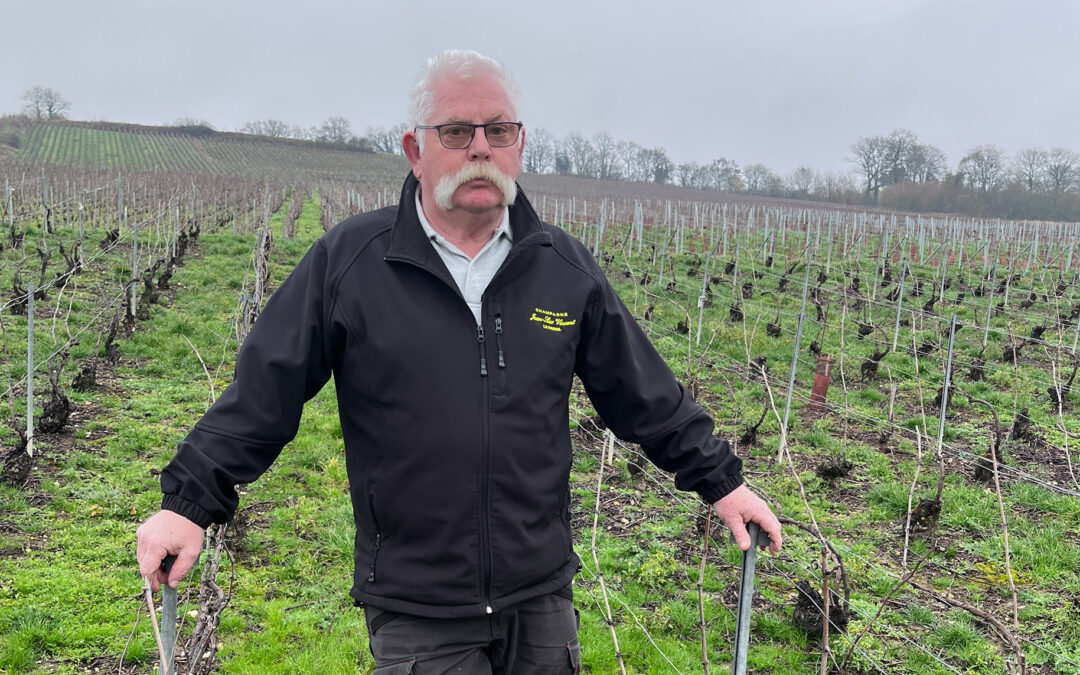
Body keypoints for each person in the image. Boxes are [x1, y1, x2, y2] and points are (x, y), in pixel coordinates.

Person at [136, 49, 782, 674]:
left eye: (498, 130)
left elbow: (642, 390)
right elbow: (263, 391)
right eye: (456, 130)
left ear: (520, 145)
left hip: (540, 592)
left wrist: (721, 480)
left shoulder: (562, 267)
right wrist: (188, 502)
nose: (480, 147)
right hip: (419, 600)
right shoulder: (351, 262)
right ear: (416, 150)